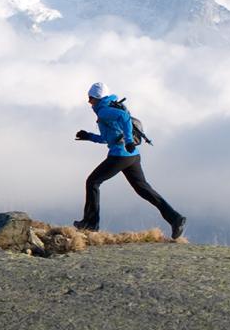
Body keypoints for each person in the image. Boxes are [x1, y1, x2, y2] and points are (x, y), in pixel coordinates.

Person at [74, 82, 186, 239]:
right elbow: (109, 138)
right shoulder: (109, 108)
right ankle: (175, 218)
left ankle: (91, 224)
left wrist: (128, 140)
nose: (89, 102)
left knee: (93, 182)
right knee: (144, 189)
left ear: (98, 98)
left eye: (91, 98)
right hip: (132, 156)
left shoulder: (105, 111)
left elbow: (124, 117)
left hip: (120, 156)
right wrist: (89, 136)